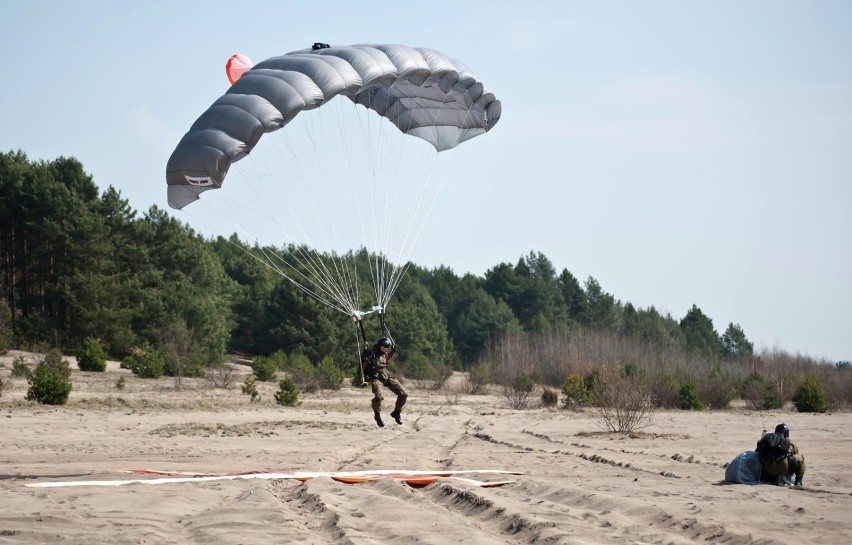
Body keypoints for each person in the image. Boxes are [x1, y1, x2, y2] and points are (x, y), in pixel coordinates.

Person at [361, 337, 407, 427]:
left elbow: (386, 359)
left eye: (386, 348)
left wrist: (392, 352)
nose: (385, 349)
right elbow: (361, 367)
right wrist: (362, 378)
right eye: (383, 347)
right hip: (376, 378)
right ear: (379, 346)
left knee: (404, 394)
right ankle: (377, 415)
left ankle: (396, 412)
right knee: (379, 396)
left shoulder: (384, 353)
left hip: (386, 376)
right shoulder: (370, 354)